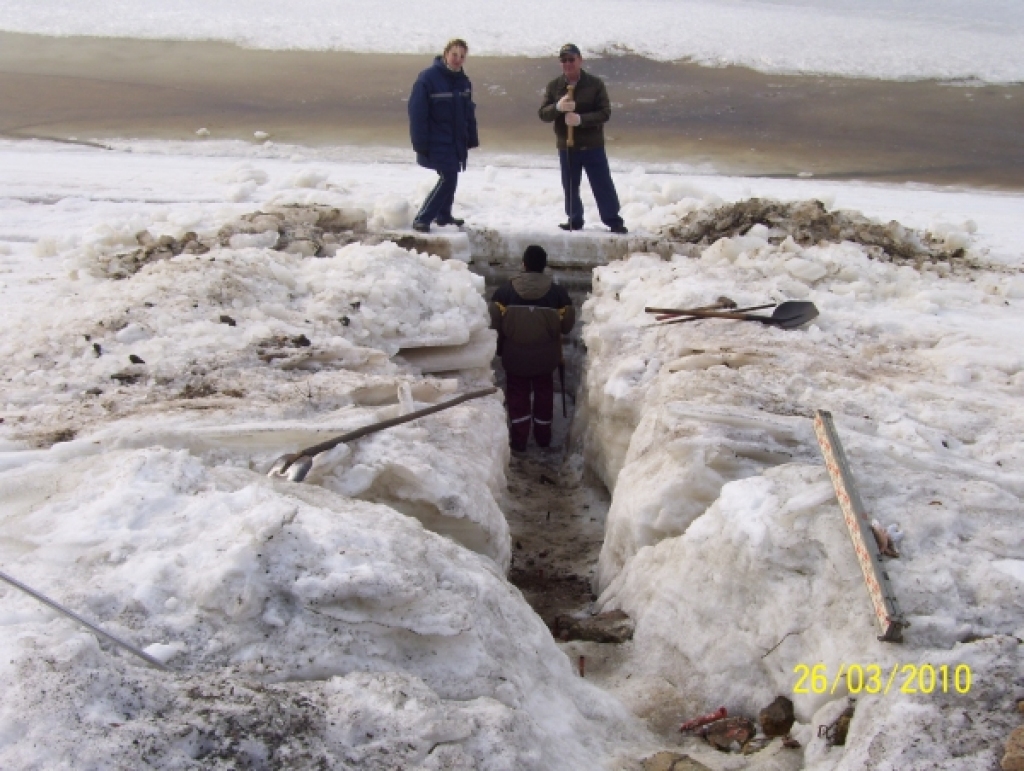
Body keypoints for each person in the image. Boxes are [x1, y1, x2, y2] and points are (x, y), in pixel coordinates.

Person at [489, 245, 575, 452]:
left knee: (517, 396)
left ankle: (519, 441)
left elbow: (494, 323)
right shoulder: (558, 294)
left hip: (514, 358)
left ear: (524, 264)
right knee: (543, 396)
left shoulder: (504, 292)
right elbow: (567, 326)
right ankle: (543, 438)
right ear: (544, 266)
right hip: (545, 360)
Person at [539, 43, 627, 234]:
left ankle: (613, 220)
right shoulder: (554, 86)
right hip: (567, 146)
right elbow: (543, 114)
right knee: (570, 185)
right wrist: (557, 108)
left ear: (580, 60)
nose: (568, 64)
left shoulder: (595, 84)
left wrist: (581, 120)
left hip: (592, 145)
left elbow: (605, 113)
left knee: (602, 184)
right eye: (564, 61)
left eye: (571, 59)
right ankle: (574, 219)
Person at [408, 38, 479, 233]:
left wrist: (471, 137)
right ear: (446, 54)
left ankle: (444, 215)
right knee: (449, 177)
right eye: (454, 54)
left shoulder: (464, 82)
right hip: (436, 140)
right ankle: (423, 217)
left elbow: (468, 113)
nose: (457, 59)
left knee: (451, 175)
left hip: (455, 141)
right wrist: (419, 141)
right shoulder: (428, 79)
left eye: (462, 56)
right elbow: (417, 113)